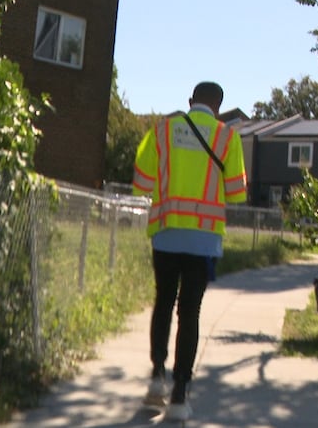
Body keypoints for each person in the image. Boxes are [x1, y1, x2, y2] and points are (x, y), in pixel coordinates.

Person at [132, 82, 247, 421]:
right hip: (203, 240)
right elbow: (236, 193)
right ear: (219, 106)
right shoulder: (228, 138)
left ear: (190, 101)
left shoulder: (164, 129)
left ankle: (156, 380)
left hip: (166, 234)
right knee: (190, 312)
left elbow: (141, 179)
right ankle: (180, 395)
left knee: (163, 301)